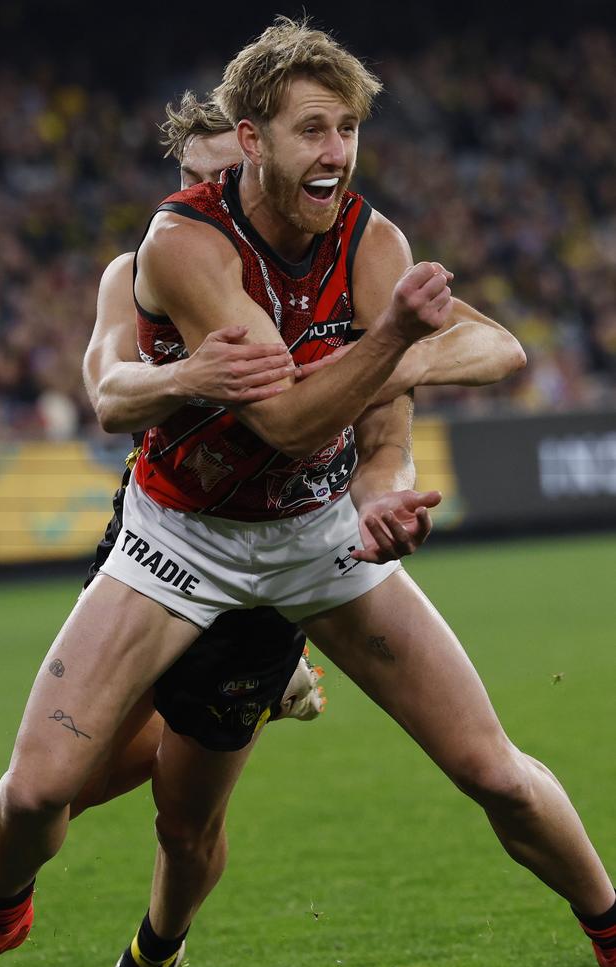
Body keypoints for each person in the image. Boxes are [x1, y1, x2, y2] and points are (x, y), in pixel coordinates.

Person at [0, 20, 607, 967]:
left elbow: (495, 353)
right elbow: (290, 426)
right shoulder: (183, 243)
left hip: (314, 541)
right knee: (40, 789)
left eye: (346, 128)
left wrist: (382, 476)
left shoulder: (370, 236)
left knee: (490, 771)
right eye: (313, 129)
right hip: (178, 536)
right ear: (252, 140)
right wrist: (386, 336)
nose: (336, 152)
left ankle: (607, 924)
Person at [74, 90, 525, 817]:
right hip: (166, 525)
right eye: (194, 180)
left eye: (223, 177)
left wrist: (377, 359)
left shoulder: (336, 265)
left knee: (188, 804)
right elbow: (109, 393)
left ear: (259, 161)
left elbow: (496, 344)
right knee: (75, 778)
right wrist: (186, 375)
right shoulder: (147, 267)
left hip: (289, 528)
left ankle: (158, 931)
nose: (208, 199)